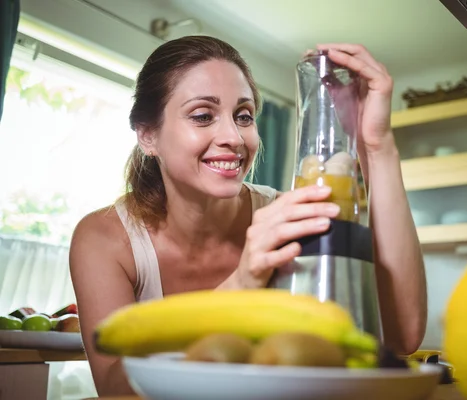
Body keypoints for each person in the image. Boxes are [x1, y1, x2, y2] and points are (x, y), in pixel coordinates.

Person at [69, 35, 427, 396]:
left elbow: (402, 336)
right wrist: (243, 281)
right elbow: (114, 388)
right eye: (203, 116)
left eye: (244, 116)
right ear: (148, 135)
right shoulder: (105, 239)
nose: (234, 137)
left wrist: (377, 146)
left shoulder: (285, 218)